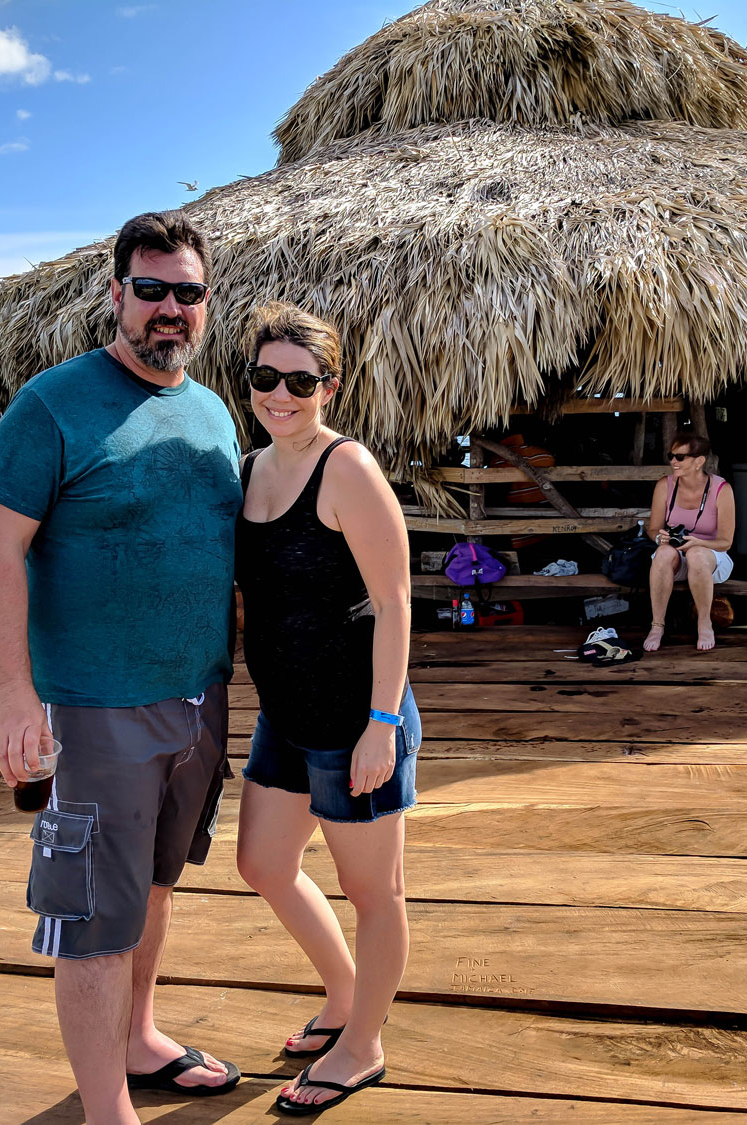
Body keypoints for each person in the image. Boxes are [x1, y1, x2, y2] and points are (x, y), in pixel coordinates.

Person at [0, 210, 243, 1124]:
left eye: (188, 292)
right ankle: (104, 1110)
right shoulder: (51, 404)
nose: (170, 309)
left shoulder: (211, 409)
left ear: (207, 302)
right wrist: (9, 692)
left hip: (199, 700)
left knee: (158, 884)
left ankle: (139, 1036)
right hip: (93, 709)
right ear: (117, 293)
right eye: (152, 290)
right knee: (93, 917)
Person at [234, 302, 417, 1115]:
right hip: (285, 714)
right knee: (263, 864)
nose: (282, 394)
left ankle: (365, 1042)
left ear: (329, 386)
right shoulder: (248, 469)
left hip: (355, 717)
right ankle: (346, 996)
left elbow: (397, 598)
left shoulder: (347, 469)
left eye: (300, 380)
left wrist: (382, 724)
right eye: (266, 378)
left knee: (372, 890)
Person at [644, 432, 736, 653]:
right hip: (677, 557)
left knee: (696, 554)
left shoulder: (721, 489)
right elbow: (653, 529)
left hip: (712, 557)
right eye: (671, 456)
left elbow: (726, 542)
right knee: (663, 553)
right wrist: (660, 537)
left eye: (680, 457)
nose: (673, 462)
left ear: (699, 461)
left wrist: (698, 543)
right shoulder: (664, 486)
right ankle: (657, 625)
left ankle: (704, 623)